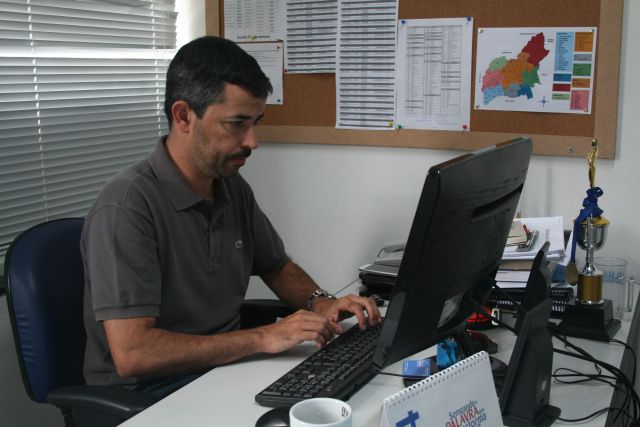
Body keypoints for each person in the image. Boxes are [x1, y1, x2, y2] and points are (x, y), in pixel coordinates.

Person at [81, 36, 380, 399]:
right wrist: (263, 337)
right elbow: (134, 353)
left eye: (256, 122)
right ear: (183, 116)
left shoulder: (228, 184)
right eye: (236, 124)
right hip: (149, 396)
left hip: (223, 372)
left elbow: (276, 266)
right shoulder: (126, 208)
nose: (252, 141)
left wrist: (323, 303)